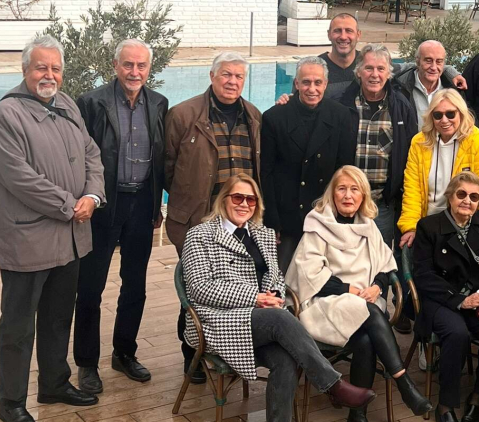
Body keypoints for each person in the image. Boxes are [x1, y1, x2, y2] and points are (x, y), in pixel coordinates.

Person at [182, 174, 376, 422]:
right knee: (279, 317)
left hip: (261, 320)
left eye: (251, 199)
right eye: (237, 197)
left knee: (285, 356)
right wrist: (255, 298)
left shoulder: (262, 234)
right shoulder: (200, 235)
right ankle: (332, 384)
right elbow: (199, 288)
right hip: (217, 321)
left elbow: (276, 278)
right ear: (223, 200)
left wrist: (272, 295)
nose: (244, 204)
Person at [0, 37, 105, 422]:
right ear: (25, 70)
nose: (49, 75)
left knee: (58, 317)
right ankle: (11, 403)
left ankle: (54, 384)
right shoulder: (6, 115)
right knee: (18, 326)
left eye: (55, 68)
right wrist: (70, 204)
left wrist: (93, 195)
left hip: (69, 238)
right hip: (28, 240)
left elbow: (91, 153)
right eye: (41, 67)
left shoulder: (67, 104)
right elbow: (19, 178)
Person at [285, 166, 431, 422]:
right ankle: (403, 382)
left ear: (363, 195)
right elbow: (308, 275)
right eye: (341, 189)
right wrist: (349, 289)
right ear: (332, 193)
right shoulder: (317, 225)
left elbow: (384, 264)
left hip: (363, 302)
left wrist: (377, 286)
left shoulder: (368, 226)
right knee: (370, 312)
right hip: (324, 304)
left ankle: (358, 417)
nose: (348, 195)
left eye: (354, 189)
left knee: (365, 338)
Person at [73, 39, 168, 394]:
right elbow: (79, 156)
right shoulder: (92, 103)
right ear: (115, 65)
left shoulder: (159, 103)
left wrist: (157, 206)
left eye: (141, 65)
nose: (134, 72)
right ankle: (86, 363)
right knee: (90, 287)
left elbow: (162, 157)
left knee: (135, 285)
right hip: (103, 205)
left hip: (141, 204)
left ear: (148, 68)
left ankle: (124, 352)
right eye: (128, 64)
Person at [165, 52, 261, 379]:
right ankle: (191, 354)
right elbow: (167, 168)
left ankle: (227, 349)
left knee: (233, 286)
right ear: (212, 76)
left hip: (239, 223)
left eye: (239, 76)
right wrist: (189, 200)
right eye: (226, 75)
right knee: (196, 288)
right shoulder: (183, 115)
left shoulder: (254, 117)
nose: (232, 82)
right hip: (197, 222)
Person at [412, 171, 479, 422]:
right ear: (450, 196)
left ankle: (477, 399)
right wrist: (460, 300)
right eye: (462, 194)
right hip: (442, 299)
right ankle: (446, 406)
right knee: (457, 334)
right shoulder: (429, 227)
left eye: (474, 197)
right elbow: (423, 276)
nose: (467, 201)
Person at [260, 57, 357, 271]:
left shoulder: (340, 115)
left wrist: (340, 216)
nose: (312, 89)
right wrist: (272, 221)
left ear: (326, 84)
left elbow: (344, 171)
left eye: (317, 82)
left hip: (325, 216)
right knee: (282, 279)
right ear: (296, 83)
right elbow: (266, 174)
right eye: (306, 82)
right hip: (287, 218)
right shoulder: (274, 117)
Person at [339, 44, 418, 249]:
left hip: (382, 204)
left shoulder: (401, 106)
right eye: (369, 68)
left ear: (389, 73)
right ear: (359, 72)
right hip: (345, 201)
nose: (375, 75)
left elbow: (411, 155)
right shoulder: (342, 104)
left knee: (379, 259)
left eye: (381, 69)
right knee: (345, 257)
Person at [399, 89, 479, 248]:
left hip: (464, 226)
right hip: (428, 225)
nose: (444, 120)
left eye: (450, 114)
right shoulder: (419, 143)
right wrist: (410, 227)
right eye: (438, 115)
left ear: (461, 114)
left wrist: (476, 230)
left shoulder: (477, 144)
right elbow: (412, 189)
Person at [393, 40, 466, 120]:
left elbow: (466, 121)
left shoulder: (455, 89)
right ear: (418, 61)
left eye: (439, 62)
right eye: (428, 61)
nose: (434, 67)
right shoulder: (399, 88)